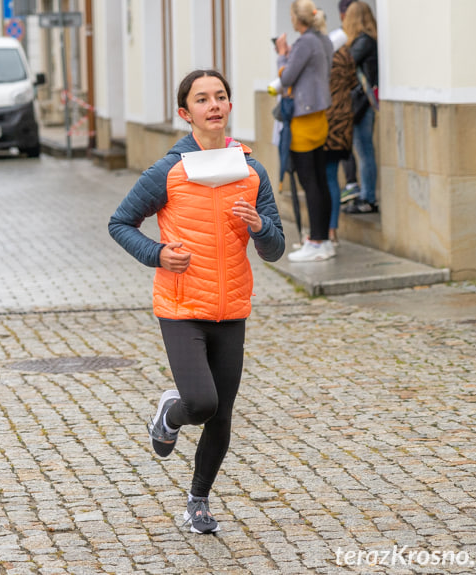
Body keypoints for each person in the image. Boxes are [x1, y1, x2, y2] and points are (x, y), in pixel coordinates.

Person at [108, 70, 285, 535]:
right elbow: (120, 223)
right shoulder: (168, 171)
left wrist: (260, 229)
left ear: (229, 107)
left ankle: (198, 502)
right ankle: (171, 412)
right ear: (186, 114)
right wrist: (159, 253)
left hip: (232, 308)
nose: (214, 104)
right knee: (201, 403)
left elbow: (276, 249)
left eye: (221, 96)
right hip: (182, 306)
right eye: (202, 99)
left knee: (221, 413)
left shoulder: (252, 172)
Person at [274, 0, 335, 262]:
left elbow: (287, 78)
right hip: (318, 117)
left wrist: (281, 53)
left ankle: (317, 242)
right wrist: (290, 55)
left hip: (303, 120)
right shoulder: (323, 39)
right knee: (320, 180)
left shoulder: (305, 42)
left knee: (309, 182)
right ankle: (322, 240)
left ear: (296, 20)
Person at [323, 9, 359, 245]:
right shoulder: (346, 53)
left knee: (324, 179)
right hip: (343, 122)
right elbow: (354, 82)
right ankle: (332, 230)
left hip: (323, 123)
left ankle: (325, 233)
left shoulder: (321, 55)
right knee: (333, 178)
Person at [342, 1, 379, 214]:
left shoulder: (363, 42)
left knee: (364, 152)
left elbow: (346, 62)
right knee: (364, 151)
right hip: (362, 103)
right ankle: (366, 195)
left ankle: (368, 198)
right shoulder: (365, 41)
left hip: (361, 105)